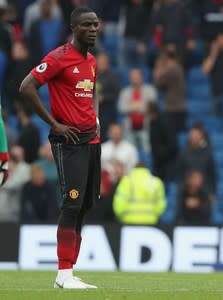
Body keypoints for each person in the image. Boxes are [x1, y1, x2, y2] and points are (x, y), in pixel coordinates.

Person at [19, 7, 100, 289]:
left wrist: (96, 117)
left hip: (92, 139)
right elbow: (27, 87)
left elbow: (92, 92)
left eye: (96, 24)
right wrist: (54, 124)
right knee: (72, 203)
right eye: (87, 25)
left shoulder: (91, 61)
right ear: (74, 27)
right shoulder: (58, 57)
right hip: (70, 142)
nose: (93, 29)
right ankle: (63, 273)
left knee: (85, 205)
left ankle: (69, 272)